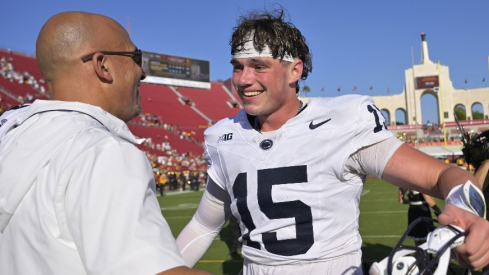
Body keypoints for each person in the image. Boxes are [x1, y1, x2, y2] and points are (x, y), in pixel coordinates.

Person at [175, 7, 489, 274]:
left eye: (259, 66)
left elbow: (443, 176)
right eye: (238, 67)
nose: (243, 79)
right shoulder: (223, 136)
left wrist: (465, 208)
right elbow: (204, 225)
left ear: (294, 70)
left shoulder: (342, 121)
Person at [0, 11, 210, 275]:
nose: (142, 72)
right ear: (103, 65)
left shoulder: (11, 136)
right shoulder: (102, 152)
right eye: (136, 58)